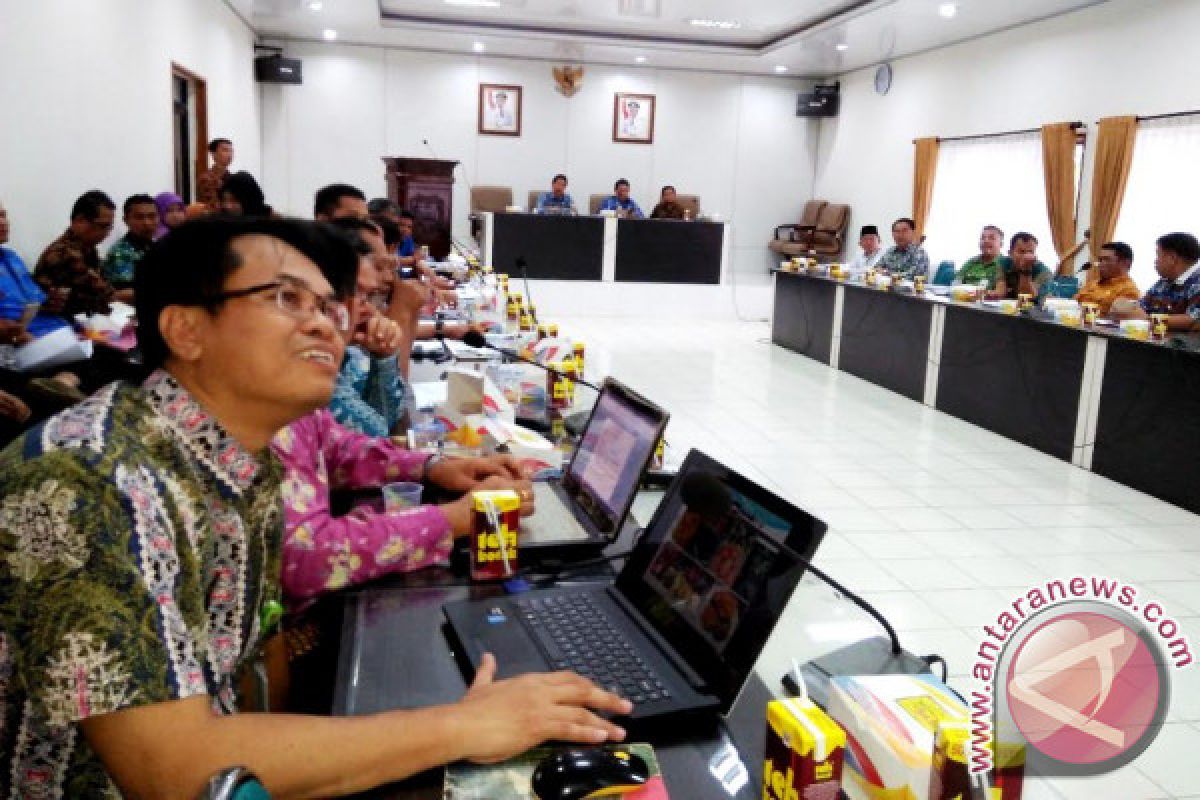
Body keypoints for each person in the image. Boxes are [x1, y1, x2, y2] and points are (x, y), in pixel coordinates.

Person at [0, 215, 630, 797]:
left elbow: (344, 455)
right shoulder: (92, 479)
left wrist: (435, 466)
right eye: (285, 299)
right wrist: (465, 726)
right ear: (186, 329)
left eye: (329, 305)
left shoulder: (236, 446)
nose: (326, 323)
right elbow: (174, 770)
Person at [274, 416, 533, 604]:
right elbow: (304, 557)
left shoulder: (291, 408)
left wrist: (433, 468)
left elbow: (342, 452)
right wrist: (454, 518)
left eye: (342, 335)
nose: (330, 338)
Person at [33, 189, 117, 318]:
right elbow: (108, 294)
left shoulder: (88, 247)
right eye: (103, 226)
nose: (107, 233)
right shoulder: (64, 253)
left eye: (109, 227)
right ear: (80, 220)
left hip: (83, 320)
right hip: (57, 325)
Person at [0, 199, 70, 339]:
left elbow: (31, 302)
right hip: (19, 344)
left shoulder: (12, 257)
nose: (3, 222)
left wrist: (49, 304)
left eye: (3, 215)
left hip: (51, 331)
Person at [1111, 232, 1200, 332]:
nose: (1155, 261)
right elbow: (1141, 306)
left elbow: (1193, 319)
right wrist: (1124, 307)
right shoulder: (1164, 281)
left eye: (1158, 255)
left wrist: (1147, 320)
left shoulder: (1197, 281)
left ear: (1172, 259)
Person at [101, 193, 158, 302]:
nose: (147, 223)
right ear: (126, 220)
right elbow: (123, 293)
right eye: (139, 217)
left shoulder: (158, 246)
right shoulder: (119, 253)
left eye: (152, 216)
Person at [1074, 241, 1140, 316]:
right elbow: (1073, 304)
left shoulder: (1129, 291)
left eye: (1106, 260)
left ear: (1125, 263)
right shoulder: (1093, 284)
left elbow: (1116, 320)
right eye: (1100, 260)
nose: (1100, 265)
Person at [994, 232, 1051, 301]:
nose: (1026, 256)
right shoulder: (1003, 263)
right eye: (1022, 251)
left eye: (1030, 252)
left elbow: (1026, 297)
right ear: (1010, 253)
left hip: (1036, 308)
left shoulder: (1044, 272)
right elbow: (1000, 290)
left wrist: (1025, 270)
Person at [197, 137, 234, 210]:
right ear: (214, 154)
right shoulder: (205, 179)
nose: (230, 154)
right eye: (225, 150)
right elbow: (212, 206)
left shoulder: (232, 177)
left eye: (231, 151)